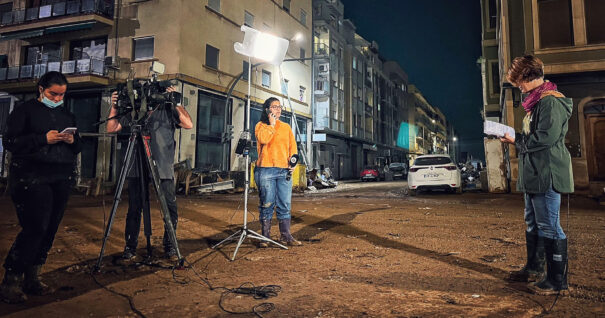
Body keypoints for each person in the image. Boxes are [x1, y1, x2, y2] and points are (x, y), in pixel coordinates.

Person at [0, 71, 82, 303]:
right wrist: (42, 139)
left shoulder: (67, 114)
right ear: (41, 89)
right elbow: (10, 142)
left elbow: (78, 147)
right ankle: (11, 280)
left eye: (61, 95)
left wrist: (72, 140)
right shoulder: (24, 111)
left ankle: (33, 277)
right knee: (35, 227)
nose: (57, 99)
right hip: (31, 177)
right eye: (53, 94)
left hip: (61, 177)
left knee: (49, 229)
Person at [501, 55, 573, 295]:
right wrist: (514, 138)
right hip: (534, 173)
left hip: (546, 173)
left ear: (527, 76)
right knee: (534, 222)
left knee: (550, 226)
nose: (518, 86)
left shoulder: (550, 102)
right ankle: (534, 269)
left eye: (519, 81)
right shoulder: (535, 103)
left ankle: (556, 281)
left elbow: (546, 138)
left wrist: (516, 139)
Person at [106, 86, 192, 261]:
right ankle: (130, 247)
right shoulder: (135, 113)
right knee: (134, 208)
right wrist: (114, 106)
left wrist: (175, 102)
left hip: (162, 166)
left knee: (169, 207)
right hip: (137, 166)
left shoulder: (167, 110)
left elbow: (188, 124)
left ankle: (170, 246)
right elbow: (112, 128)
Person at [254, 97, 301, 247]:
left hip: (284, 171)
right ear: (267, 109)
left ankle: (285, 236)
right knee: (267, 204)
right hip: (266, 169)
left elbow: (292, 148)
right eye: (274, 107)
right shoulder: (261, 126)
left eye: (279, 107)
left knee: (284, 204)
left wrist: (293, 161)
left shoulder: (286, 127)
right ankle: (265, 237)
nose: (278, 109)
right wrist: (272, 124)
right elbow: (264, 139)